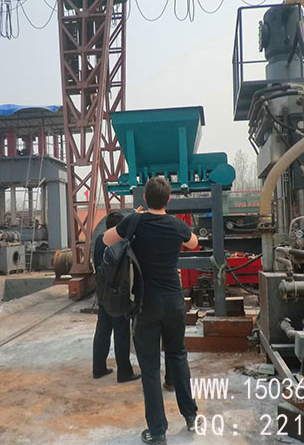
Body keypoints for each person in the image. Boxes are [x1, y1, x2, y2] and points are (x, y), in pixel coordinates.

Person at [104, 177, 199, 445]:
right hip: (174, 302)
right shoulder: (176, 224)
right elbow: (193, 243)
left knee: (149, 367)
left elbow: (107, 239)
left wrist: (131, 219)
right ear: (168, 200)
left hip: (146, 304)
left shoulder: (135, 221)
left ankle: (157, 431)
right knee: (178, 356)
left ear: (145, 198)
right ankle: (190, 415)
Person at [92, 210, 141, 383]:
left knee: (102, 330)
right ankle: (124, 372)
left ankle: (98, 368)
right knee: (121, 332)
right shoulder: (120, 244)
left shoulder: (99, 241)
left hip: (103, 293)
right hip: (118, 295)